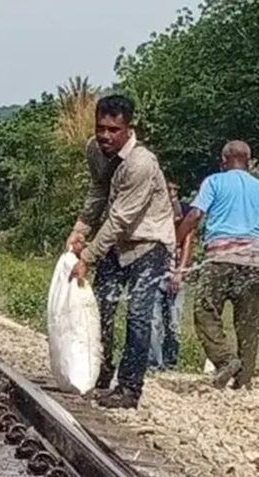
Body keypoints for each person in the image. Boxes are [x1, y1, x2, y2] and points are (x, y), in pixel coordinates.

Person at [66, 94, 175, 409]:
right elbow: (98, 190)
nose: (105, 136)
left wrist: (87, 257)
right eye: (101, 128)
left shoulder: (142, 163)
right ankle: (98, 375)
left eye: (114, 130)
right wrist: (80, 229)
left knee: (138, 316)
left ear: (129, 129)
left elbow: (120, 218)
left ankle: (129, 388)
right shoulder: (95, 150)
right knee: (99, 309)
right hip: (116, 243)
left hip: (148, 242)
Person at [175, 140, 259, 390]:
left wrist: (176, 241)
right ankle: (242, 382)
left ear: (223, 160)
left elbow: (195, 214)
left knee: (204, 310)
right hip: (254, 262)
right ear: (249, 161)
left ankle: (225, 361)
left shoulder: (214, 182)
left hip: (219, 260)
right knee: (249, 323)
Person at [148, 181, 189, 370]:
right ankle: (154, 363)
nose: (171, 194)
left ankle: (171, 362)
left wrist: (180, 271)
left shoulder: (184, 216)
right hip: (156, 275)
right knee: (154, 321)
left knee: (174, 321)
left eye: (174, 191)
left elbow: (188, 244)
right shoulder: (155, 214)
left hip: (175, 274)